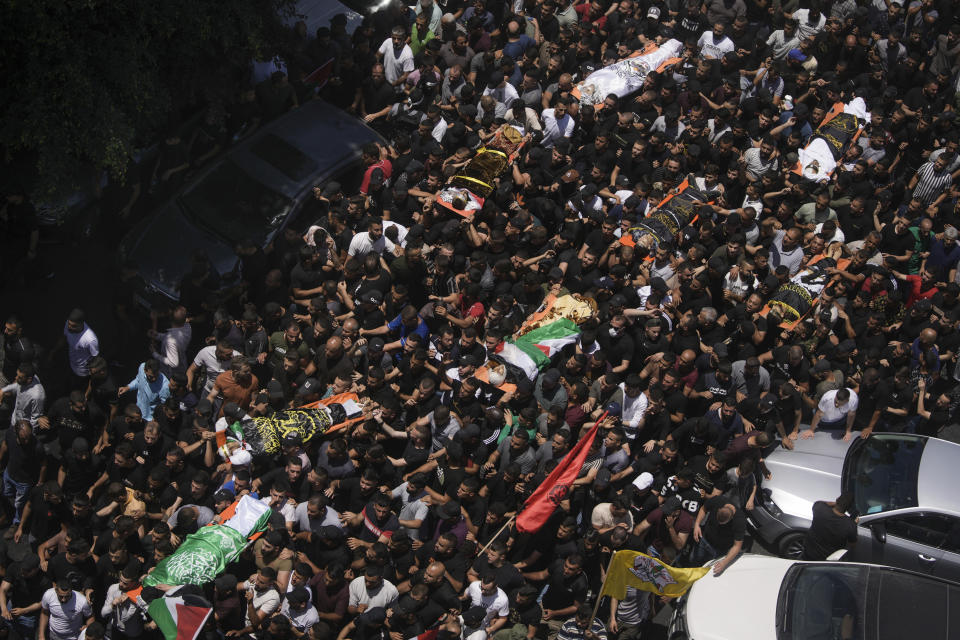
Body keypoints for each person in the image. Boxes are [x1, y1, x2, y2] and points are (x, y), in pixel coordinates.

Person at [802, 494, 858, 561]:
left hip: (807, 553)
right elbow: (852, 544)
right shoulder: (850, 525)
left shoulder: (819, 508)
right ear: (850, 508)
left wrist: (837, 503)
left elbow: (821, 502)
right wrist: (854, 525)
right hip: (826, 560)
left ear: (837, 500)